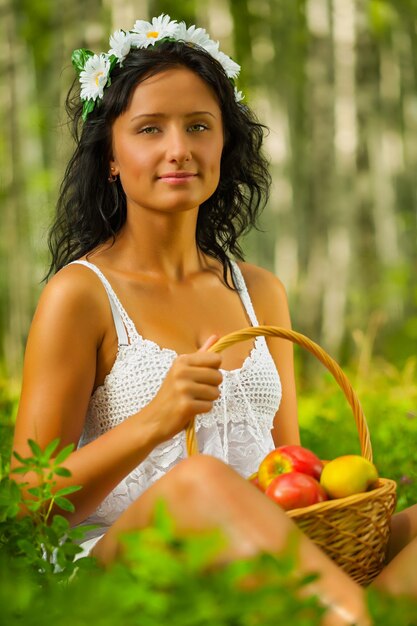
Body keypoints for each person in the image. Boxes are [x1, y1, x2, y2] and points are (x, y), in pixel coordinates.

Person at [10, 14, 417, 625]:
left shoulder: (260, 292)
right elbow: (28, 503)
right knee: (201, 481)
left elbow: (288, 465)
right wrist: (154, 421)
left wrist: (342, 492)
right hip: (115, 561)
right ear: (111, 157)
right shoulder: (82, 294)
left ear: (224, 142)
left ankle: (351, 613)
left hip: (253, 550)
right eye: (149, 129)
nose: (179, 149)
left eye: (199, 126)